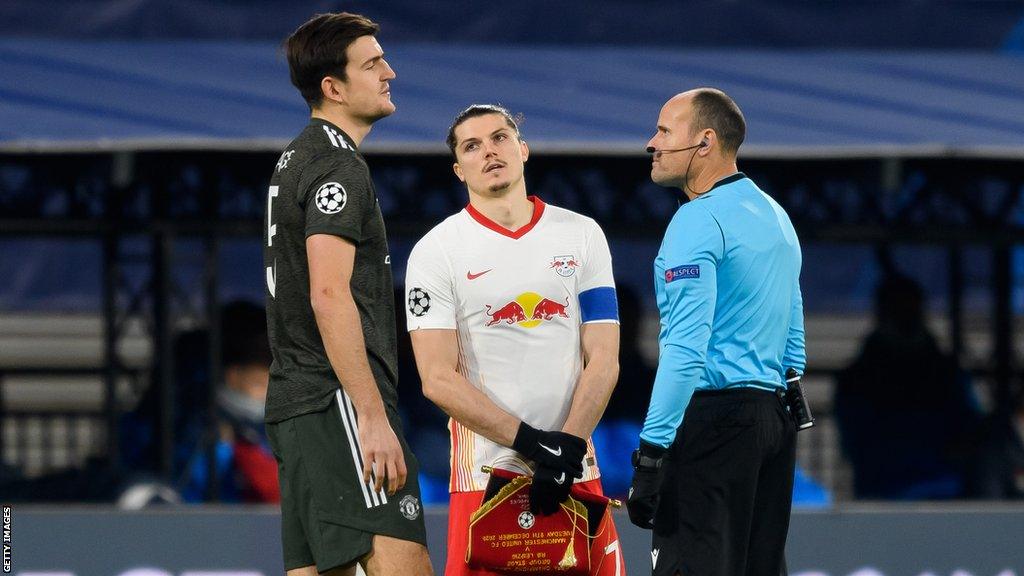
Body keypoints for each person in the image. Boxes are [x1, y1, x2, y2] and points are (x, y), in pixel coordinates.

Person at [405, 104, 626, 576]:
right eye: (472, 146)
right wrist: (534, 445)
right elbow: (437, 379)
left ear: (523, 150)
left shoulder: (583, 235)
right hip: (486, 478)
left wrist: (565, 449)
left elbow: (604, 359)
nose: (489, 151)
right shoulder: (435, 252)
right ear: (458, 169)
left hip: (575, 472)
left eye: (500, 137)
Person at [262, 12, 432, 576]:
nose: (391, 71)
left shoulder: (294, 158)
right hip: (337, 401)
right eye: (372, 63)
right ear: (333, 88)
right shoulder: (338, 164)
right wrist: (372, 414)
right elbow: (329, 294)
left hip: (299, 401)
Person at [627, 88, 805, 576]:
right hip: (774, 422)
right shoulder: (776, 215)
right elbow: (794, 336)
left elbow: (686, 349)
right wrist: (783, 396)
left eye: (664, 131)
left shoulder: (697, 220)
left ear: (704, 142)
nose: (652, 143)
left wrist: (652, 454)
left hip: (713, 425)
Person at [835, 272, 980, 499]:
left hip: (946, 491)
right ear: (882, 315)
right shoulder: (859, 378)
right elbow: (857, 442)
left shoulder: (946, 372)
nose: (906, 320)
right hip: (883, 492)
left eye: (911, 311)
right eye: (898, 312)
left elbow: (969, 427)